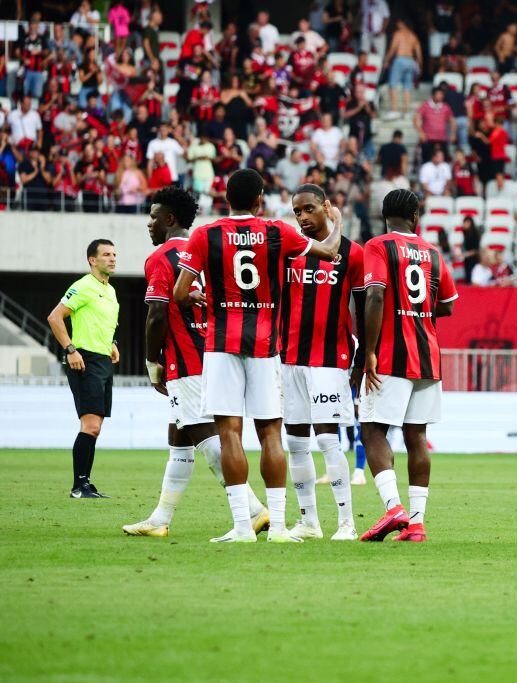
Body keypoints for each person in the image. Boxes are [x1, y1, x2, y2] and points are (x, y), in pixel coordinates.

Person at [172, 169, 345, 543]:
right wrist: (338, 221)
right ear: (259, 200)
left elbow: (180, 293)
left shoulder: (204, 235)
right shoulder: (278, 231)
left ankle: (241, 527)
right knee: (270, 434)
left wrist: (202, 298)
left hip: (222, 344)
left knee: (229, 432)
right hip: (266, 345)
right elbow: (331, 251)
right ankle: (279, 527)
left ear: (226, 199)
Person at [123, 188, 269, 537]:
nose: (149, 224)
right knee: (180, 438)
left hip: (186, 361)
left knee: (208, 438)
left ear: (170, 219)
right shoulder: (207, 249)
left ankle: (253, 510)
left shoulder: (161, 257)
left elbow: (157, 314)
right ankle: (160, 519)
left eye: (154, 217)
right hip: (217, 353)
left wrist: (151, 361)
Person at [359, 189, 459, 543]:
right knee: (416, 437)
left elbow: (375, 294)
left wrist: (369, 351)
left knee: (372, 431)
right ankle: (416, 524)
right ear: (416, 217)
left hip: (391, 355)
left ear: (385, 216)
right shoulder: (432, 252)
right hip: (428, 356)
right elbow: (448, 304)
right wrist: (418, 311)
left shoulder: (378, 246)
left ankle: (393, 508)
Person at [282, 184, 365, 541]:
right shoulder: (288, 250)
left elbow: (363, 308)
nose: (302, 217)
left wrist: (362, 358)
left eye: (309, 209)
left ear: (326, 207)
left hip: (330, 360)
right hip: (289, 359)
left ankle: (347, 522)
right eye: (297, 211)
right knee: (296, 443)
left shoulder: (352, 253)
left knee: (329, 439)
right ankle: (309, 522)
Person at [47, 240, 120, 499]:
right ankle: (79, 487)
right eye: (106, 254)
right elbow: (55, 317)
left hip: (103, 361)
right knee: (90, 425)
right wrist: (70, 350)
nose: (112, 258)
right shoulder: (82, 286)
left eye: (114, 254)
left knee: (95, 427)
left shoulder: (110, 291)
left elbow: (102, 322)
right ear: (92, 260)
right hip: (84, 359)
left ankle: (85, 484)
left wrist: (112, 343)